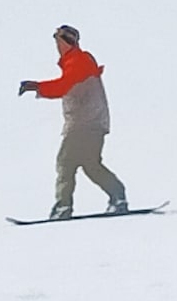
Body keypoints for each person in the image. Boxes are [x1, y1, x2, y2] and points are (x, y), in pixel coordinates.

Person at [18, 25, 127, 220]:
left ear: (68, 42)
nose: (56, 45)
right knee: (91, 165)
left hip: (84, 125)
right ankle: (118, 197)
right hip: (91, 123)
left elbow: (62, 87)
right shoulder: (76, 62)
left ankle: (63, 207)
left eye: (58, 40)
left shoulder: (79, 61)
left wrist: (37, 86)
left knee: (65, 163)